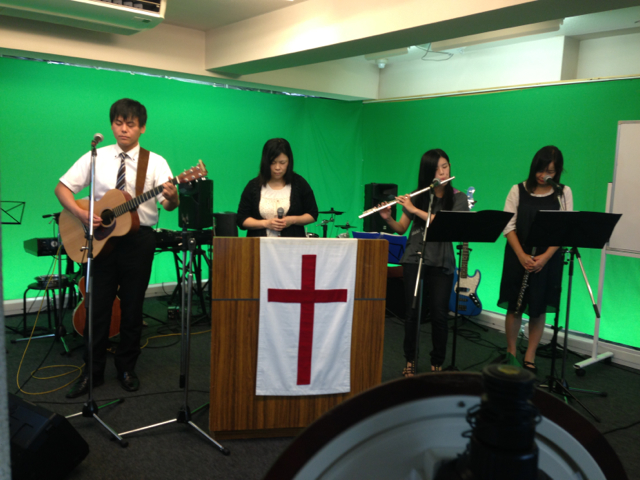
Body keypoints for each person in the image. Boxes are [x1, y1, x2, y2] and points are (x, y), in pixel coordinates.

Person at [55, 98, 179, 398]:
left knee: (133, 308)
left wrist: (174, 196)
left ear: (142, 128)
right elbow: (62, 188)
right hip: (99, 240)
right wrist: (81, 213)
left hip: (139, 241)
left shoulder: (156, 162)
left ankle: (126, 368)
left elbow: (168, 204)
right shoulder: (96, 156)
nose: (123, 129)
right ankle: (92, 372)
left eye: (130, 124)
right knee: (97, 308)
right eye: (118, 123)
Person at [379, 149, 468, 376]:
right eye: (437, 168)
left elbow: (445, 226)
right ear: (428, 172)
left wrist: (413, 209)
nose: (442, 172)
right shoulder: (418, 195)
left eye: (445, 166)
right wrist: (388, 218)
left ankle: (436, 362)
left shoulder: (458, 197)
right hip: (414, 258)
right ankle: (410, 360)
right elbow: (402, 228)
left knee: (439, 314)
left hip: (442, 260)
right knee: (412, 313)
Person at [497, 145, 573, 374]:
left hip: (546, 259)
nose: (544, 175)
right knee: (515, 306)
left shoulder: (563, 193)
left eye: (550, 171)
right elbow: (508, 226)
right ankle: (511, 352)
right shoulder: (517, 190)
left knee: (538, 308)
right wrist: (522, 255)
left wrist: (545, 258)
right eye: (540, 170)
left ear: (558, 171)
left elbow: (564, 230)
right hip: (518, 255)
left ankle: (530, 355)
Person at [237, 138, 318, 237]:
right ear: (265, 162)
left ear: (289, 161)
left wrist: (292, 220)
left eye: (282, 162)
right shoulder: (253, 186)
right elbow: (241, 219)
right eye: (272, 162)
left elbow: (312, 214)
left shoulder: (299, 184)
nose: (277, 168)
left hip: (292, 245)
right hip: (259, 244)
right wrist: (266, 223)